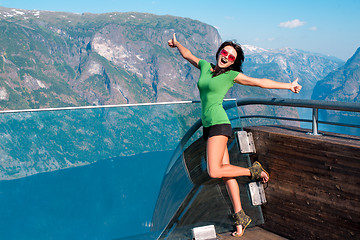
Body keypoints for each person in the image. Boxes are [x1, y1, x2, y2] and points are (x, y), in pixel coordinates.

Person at [168, 33, 302, 237]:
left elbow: (259, 82)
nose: (226, 57)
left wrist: (288, 86)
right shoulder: (205, 66)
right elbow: (189, 55)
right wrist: (177, 44)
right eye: (224, 52)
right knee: (226, 174)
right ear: (219, 52)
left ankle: (253, 171)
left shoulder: (231, 76)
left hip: (219, 125)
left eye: (231, 57)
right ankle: (241, 220)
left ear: (234, 62)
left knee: (214, 171)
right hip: (209, 126)